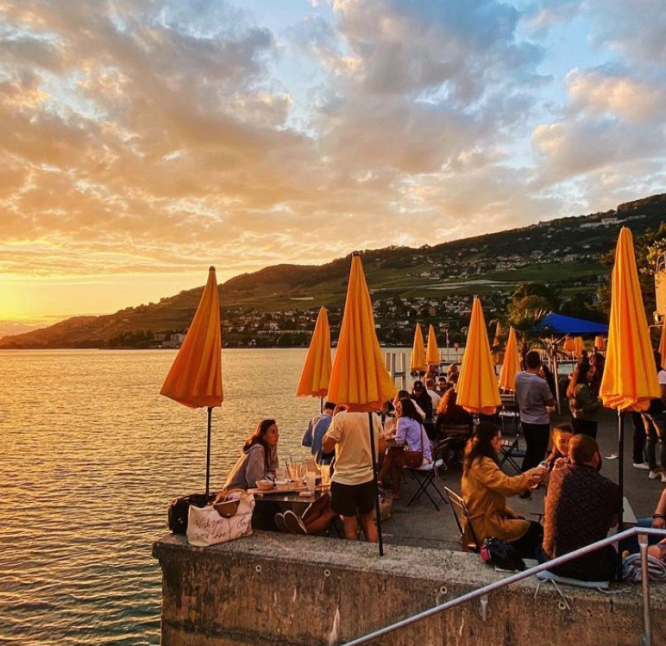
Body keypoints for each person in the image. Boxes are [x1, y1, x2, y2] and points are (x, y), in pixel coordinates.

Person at [540, 434, 618, 581]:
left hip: (552, 560)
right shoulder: (610, 488)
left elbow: (548, 507)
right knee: (613, 555)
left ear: (570, 456)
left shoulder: (556, 476)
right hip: (591, 567)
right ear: (596, 456)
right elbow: (613, 522)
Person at [461, 422, 545, 558]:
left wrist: (509, 511)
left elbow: (491, 494)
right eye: (498, 440)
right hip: (485, 525)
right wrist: (530, 474)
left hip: (479, 519)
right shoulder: (482, 463)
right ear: (489, 441)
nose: (501, 443)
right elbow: (507, 486)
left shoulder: (473, 459)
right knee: (536, 530)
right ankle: (531, 566)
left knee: (526, 524)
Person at [322, 406, 385, 542]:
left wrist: (333, 419)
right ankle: (375, 555)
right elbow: (382, 447)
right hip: (367, 477)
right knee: (368, 519)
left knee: (349, 524)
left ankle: (355, 559)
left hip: (345, 479)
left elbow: (326, 447)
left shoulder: (341, 418)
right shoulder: (373, 416)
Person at [377, 398, 432, 499]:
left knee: (391, 455)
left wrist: (389, 437)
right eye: (396, 406)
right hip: (426, 455)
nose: (396, 409)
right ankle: (392, 489)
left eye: (399, 407)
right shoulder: (415, 419)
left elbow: (399, 441)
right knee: (392, 456)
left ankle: (380, 479)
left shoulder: (402, 420)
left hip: (418, 458)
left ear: (405, 408)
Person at [515, 351, 555, 472]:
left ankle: (525, 474)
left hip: (525, 419)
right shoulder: (541, 383)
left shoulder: (518, 376)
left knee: (530, 449)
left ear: (525, 363)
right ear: (540, 364)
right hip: (540, 421)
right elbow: (550, 402)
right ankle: (535, 477)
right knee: (539, 452)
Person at [224, 419, 280, 490]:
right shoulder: (257, 450)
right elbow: (255, 483)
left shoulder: (271, 447)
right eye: (273, 432)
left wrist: (274, 475)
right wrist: (272, 476)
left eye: (277, 432)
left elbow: (274, 470)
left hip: (248, 492)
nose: (277, 435)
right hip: (234, 493)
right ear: (263, 435)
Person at [641, 351, 666, 482]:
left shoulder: (645, 372)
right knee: (663, 441)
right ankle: (664, 472)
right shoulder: (661, 373)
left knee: (650, 438)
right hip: (659, 410)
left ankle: (652, 469)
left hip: (646, 409)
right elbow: (662, 393)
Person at [567, 363, 602, 438]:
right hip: (586, 421)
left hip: (578, 420)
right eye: (590, 372)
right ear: (584, 373)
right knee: (588, 443)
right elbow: (589, 407)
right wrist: (600, 401)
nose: (592, 374)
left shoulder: (574, 386)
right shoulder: (582, 388)